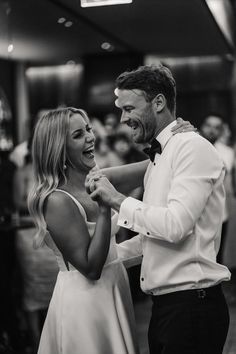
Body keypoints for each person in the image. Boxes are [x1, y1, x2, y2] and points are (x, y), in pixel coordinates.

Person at [86, 65, 231, 354]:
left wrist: (116, 199)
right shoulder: (159, 157)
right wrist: (102, 258)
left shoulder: (191, 148)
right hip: (169, 309)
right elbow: (154, 235)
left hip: (192, 308)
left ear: (159, 103)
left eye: (129, 108)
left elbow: (174, 226)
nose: (123, 118)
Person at [28, 107, 139, 354]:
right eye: (78, 134)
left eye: (88, 129)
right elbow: (91, 268)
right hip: (86, 303)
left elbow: (150, 168)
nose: (91, 137)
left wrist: (173, 142)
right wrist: (103, 209)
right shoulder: (57, 200)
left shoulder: (99, 178)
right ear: (60, 149)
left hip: (114, 289)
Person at [13, 146, 58, 354]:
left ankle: (56, 339)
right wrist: (42, 203)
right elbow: (16, 202)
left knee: (55, 287)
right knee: (33, 289)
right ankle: (36, 340)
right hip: (29, 233)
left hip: (51, 234)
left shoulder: (53, 170)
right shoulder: (22, 172)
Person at [201, 115, 235, 264]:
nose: (212, 130)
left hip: (220, 212)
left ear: (222, 131)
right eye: (209, 125)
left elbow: (223, 175)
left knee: (217, 256)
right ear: (202, 126)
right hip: (198, 211)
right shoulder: (192, 146)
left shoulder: (227, 152)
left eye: (217, 127)